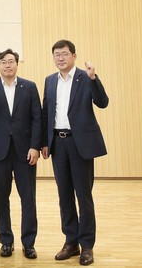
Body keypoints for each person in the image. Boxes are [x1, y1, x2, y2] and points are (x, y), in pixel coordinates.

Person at [41, 40, 109, 266]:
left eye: (64, 54)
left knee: (83, 195)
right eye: (56, 55)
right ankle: (71, 242)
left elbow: (102, 102)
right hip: (58, 144)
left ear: (74, 56)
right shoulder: (50, 81)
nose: (60, 58)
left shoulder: (85, 77)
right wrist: (44, 142)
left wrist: (94, 78)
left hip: (80, 144)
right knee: (64, 196)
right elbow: (46, 112)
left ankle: (87, 245)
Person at [0, 48, 42, 259]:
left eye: (11, 61)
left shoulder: (29, 87)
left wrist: (35, 146)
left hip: (25, 150)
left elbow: (37, 118)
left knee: (28, 198)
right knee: (1, 197)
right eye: (3, 62)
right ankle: (6, 241)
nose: (7, 65)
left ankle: (28, 243)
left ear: (17, 64)